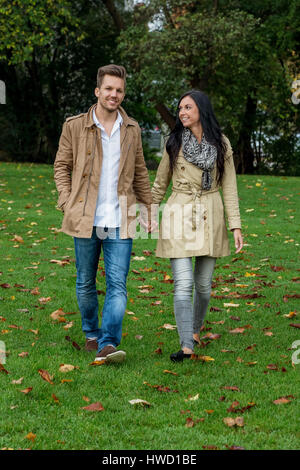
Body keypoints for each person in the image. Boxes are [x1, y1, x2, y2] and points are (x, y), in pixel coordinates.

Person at [54, 64, 153, 364]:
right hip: (85, 218)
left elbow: (140, 172)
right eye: (108, 89)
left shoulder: (132, 129)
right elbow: (61, 166)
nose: (114, 95)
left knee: (118, 284)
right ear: (98, 91)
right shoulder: (74, 126)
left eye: (119, 90)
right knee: (85, 282)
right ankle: (91, 334)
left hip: (120, 220)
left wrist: (148, 209)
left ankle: (108, 343)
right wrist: (65, 200)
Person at [151, 90, 243, 362]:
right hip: (179, 212)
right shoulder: (175, 142)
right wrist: (147, 212)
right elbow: (160, 182)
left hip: (210, 214)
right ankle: (186, 344)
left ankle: (195, 329)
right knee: (183, 283)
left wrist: (235, 225)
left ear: (201, 109)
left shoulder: (221, 144)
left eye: (188, 107)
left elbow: (229, 187)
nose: (182, 113)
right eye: (180, 108)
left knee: (203, 286)